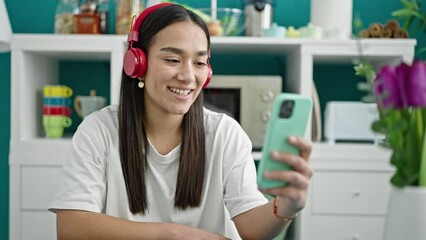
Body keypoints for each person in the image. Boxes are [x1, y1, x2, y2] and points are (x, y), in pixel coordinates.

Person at [48, 3, 313, 240]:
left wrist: (286, 207)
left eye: (199, 62)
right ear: (137, 63)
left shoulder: (225, 133)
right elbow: (71, 228)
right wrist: (171, 234)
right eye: (173, 59)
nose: (188, 76)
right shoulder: (99, 131)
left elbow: (251, 228)